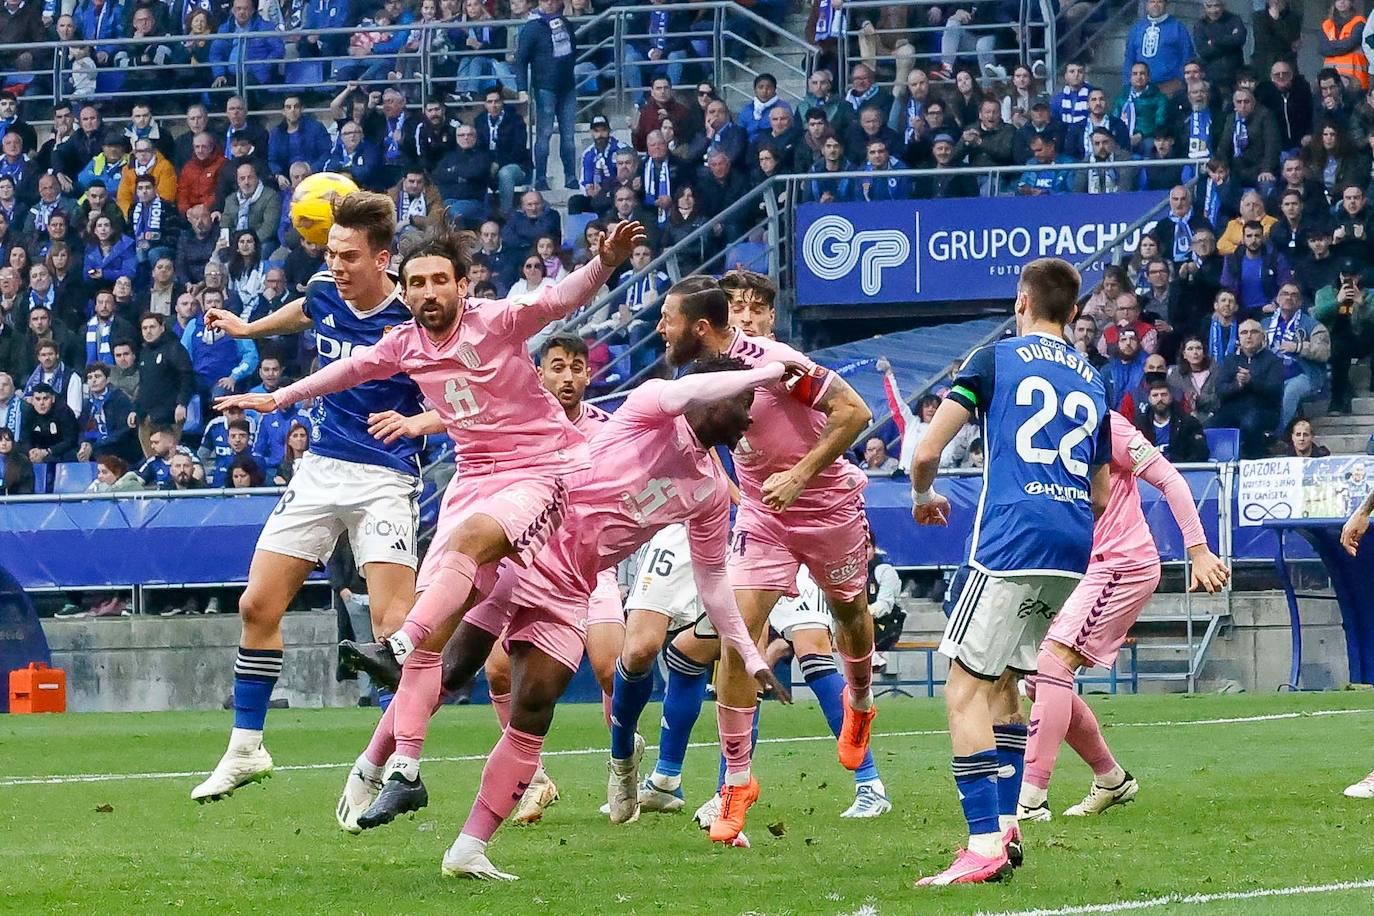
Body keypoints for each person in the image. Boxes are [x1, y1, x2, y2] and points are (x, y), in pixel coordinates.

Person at [229, 220, 645, 831]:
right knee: (443, 643)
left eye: (439, 281)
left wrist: (603, 264)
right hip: (475, 474)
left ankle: (398, 648)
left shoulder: (497, 322)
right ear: (405, 286)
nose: (428, 291)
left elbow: (561, 299)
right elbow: (349, 372)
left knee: (464, 569)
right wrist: (278, 398)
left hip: (540, 470)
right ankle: (399, 770)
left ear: (461, 284)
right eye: (417, 281)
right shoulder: (403, 343)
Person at [623, 272, 891, 827]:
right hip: (762, 515)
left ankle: (860, 702)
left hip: (826, 505)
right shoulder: (695, 377)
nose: (658, 330)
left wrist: (798, 475)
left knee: (849, 617)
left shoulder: (775, 361)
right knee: (737, 634)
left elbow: (856, 414)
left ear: (698, 325)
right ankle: (737, 785)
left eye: (667, 319)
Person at [188, 193, 428, 806]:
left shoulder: (414, 319)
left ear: (383, 259)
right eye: (331, 253)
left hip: (386, 479)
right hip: (319, 469)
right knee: (256, 605)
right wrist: (249, 328)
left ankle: (397, 766)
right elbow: (304, 309)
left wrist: (419, 423)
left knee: (392, 632)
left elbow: (459, 392)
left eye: (349, 256)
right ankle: (246, 749)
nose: (336, 265)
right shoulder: (326, 288)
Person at [911, 258, 1110, 886]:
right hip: (1073, 545)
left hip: (1011, 539)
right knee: (1003, 689)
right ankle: (1008, 826)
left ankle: (981, 844)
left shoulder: (996, 359)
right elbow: (1103, 492)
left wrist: (922, 495)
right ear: (1073, 312)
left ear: (1021, 303)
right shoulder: (1096, 381)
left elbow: (925, 450)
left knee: (963, 690)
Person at [1019, 407, 1227, 823]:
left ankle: (1031, 798)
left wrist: (1198, 550)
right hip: (1079, 565)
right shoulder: (1042, 425)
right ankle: (1111, 778)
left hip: (1121, 563)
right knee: (1035, 680)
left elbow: (1169, 478)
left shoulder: (1104, 423)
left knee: (1051, 664)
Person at [477, 332, 626, 825]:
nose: (567, 376)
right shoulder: (522, 425)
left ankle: (622, 762)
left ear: (589, 374)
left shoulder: (609, 430)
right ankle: (534, 778)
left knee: (610, 668)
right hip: (530, 564)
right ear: (539, 374)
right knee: (498, 669)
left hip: (590, 568)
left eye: (576, 367)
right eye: (557, 367)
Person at [516, 0, 580, 192]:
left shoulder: (565, 23)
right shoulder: (532, 27)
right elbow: (520, 60)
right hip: (544, 87)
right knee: (544, 134)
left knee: (568, 136)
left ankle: (570, 176)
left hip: (567, 86)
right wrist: (522, 89)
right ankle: (541, 177)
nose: (550, 3)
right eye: (545, 0)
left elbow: (573, 50)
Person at [1209, 319, 1284, 459]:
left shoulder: (1274, 360)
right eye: (1244, 332)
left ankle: (1253, 460)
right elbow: (1220, 390)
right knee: (1208, 426)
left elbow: (1275, 390)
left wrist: (1251, 382)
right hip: (1232, 410)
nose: (1248, 336)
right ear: (1239, 338)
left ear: (1263, 336)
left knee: (1250, 422)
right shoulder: (1230, 360)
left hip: (1264, 411)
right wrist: (1237, 385)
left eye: (1253, 332)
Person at [1265, 282, 1331, 433]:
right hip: (1271, 374)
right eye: (1285, 294)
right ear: (1277, 299)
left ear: (1300, 302)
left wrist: (1298, 347)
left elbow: (1324, 351)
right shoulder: (1265, 324)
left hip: (1304, 374)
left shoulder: (1313, 325)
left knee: (1291, 391)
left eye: (1294, 295)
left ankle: (1275, 435)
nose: (1289, 297)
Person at [1314, 263, 1374, 414]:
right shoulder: (1325, 292)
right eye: (1345, 275)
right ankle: (1338, 399)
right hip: (1335, 341)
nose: (1348, 279)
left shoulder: (1370, 294)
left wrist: (1362, 304)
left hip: (1362, 339)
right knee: (1338, 349)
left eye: (1352, 276)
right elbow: (1317, 315)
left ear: (1359, 276)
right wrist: (1338, 301)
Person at [1123, 0, 1195, 95]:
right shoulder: (1137, 29)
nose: (1155, 5)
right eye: (1152, 2)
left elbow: (1187, 56)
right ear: (1147, 4)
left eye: (1159, 2)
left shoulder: (1177, 28)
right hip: (1140, 88)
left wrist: (1180, 81)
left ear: (1166, 4)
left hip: (1169, 87)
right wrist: (1128, 83)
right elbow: (1129, 58)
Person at [1131, 380, 1209, 463]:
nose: (1160, 399)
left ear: (1171, 397)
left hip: (1180, 471)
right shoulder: (1140, 424)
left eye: (1164, 395)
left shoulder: (1188, 423)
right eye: (1155, 395)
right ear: (1149, 399)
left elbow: (1200, 453)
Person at [1168, 336, 1218, 423]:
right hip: (1185, 420)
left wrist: (1199, 399)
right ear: (1184, 354)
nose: (1195, 352)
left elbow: (1219, 398)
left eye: (1198, 348)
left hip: (1213, 418)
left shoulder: (1215, 371)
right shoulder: (1175, 375)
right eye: (1190, 349)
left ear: (1204, 353)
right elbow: (1173, 401)